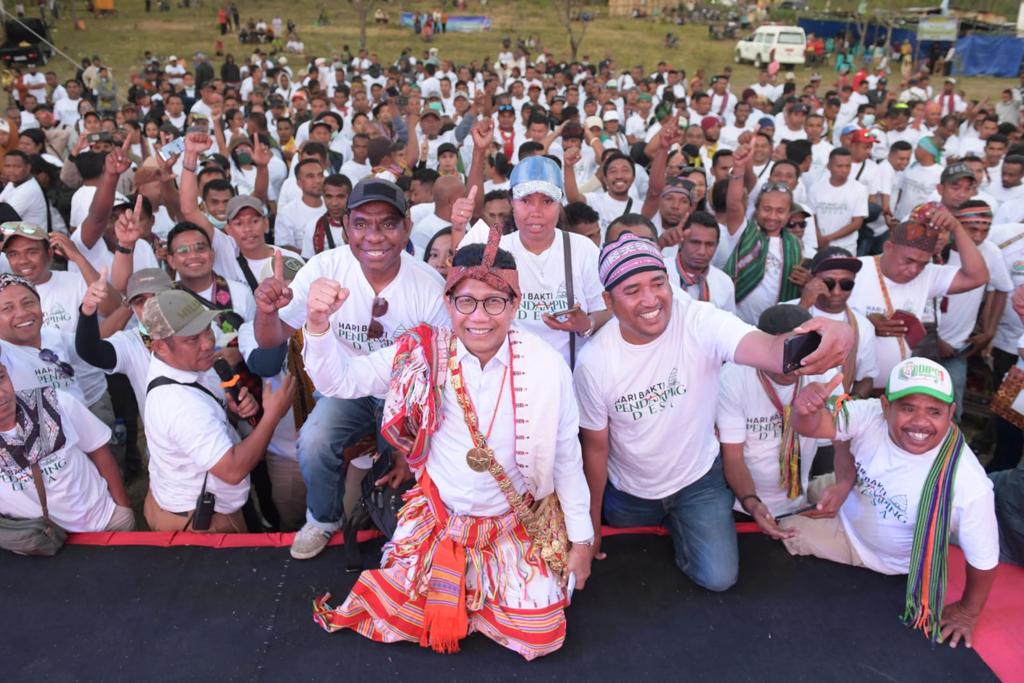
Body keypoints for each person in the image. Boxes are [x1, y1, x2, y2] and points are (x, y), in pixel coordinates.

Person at [303, 236, 593, 660]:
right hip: (440, 523)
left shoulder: (546, 367)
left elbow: (568, 458)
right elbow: (337, 381)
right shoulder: (422, 353)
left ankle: (477, 594)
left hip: (510, 525)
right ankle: (468, 593)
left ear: (515, 304)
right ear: (448, 301)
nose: (479, 317)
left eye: (494, 302)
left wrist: (582, 542)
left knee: (542, 636)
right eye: (465, 302)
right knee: (399, 617)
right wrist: (317, 323)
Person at [574, 233, 855, 592]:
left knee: (719, 579)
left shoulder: (699, 321)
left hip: (699, 483)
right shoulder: (594, 363)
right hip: (630, 492)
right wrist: (591, 525)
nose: (650, 299)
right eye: (632, 290)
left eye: (658, 283)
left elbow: (770, 350)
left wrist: (831, 334)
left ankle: (686, 529)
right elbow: (595, 448)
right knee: (627, 583)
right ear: (608, 301)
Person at [253, 177, 448, 560]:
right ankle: (322, 519)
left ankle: (409, 531)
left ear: (407, 226)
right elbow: (272, 339)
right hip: (345, 390)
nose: (374, 236)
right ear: (346, 227)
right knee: (313, 440)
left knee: (411, 468)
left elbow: (436, 377)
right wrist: (266, 310)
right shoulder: (324, 269)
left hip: (405, 398)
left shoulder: (427, 285)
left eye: (388, 224)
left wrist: (408, 441)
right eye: (361, 224)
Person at [787, 357, 998, 648]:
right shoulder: (870, 413)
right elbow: (814, 427)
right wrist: (805, 411)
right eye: (908, 408)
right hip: (852, 495)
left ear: (951, 413)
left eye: (934, 411)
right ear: (886, 407)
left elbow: (984, 558)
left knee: (783, 529)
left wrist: (967, 612)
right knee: (793, 498)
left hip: (862, 546)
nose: (920, 422)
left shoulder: (969, 484)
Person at [142, 289, 295, 532]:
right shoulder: (181, 405)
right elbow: (232, 470)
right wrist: (273, 416)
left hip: (182, 502)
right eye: (192, 339)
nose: (208, 343)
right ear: (160, 347)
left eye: (207, 329)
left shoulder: (184, 367)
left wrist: (232, 412)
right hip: (203, 522)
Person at [718, 304, 841, 526]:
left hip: (802, 504)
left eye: (803, 350)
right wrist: (752, 503)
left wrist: (837, 489)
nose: (793, 365)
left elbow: (841, 444)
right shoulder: (733, 377)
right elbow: (733, 457)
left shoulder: (825, 375)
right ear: (761, 347)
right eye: (783, 353)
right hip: (743, 506)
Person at [847, 205, 989, 389]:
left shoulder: (927, 275)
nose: (914, 270)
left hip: (894, 389)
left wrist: (957, 228)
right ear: (888, 247)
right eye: (909, 261)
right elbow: (821, 318)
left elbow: (978, 276)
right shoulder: (854, 271)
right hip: (849, 386)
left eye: (922, 263)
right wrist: (865, 326)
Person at [0, 361, 135, 534]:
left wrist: (122, 506)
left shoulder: (55, 401)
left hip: (107, 521)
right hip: (44, 547)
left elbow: (98, 449)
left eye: (1, 377)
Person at [723, 144, 805, 325]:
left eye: (780, 211)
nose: (773, 216)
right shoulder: (744, 232)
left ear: (789, 214)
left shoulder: (795, 245)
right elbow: (734, 205)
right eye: (767, 209)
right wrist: (738, 168)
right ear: (757, 209)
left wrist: (805, 281)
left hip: (776, 327)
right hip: (737, 324)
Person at [791, 247, 878, 399]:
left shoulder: (863, 326)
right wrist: (804, 304)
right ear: (812, 279)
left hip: (836, 411)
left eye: (846, 284)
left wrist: (849, 405)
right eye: (829, 283)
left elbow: (865, 378)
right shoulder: (784, 310)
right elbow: (774, 354)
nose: (837, 292)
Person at [808, 147, 868, 254]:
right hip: (819, 247)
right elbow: (812, 218)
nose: (844, 170)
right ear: (829, 166)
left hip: (846, 248)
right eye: (839, 166)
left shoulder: (860, 189)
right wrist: (818, 238)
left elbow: (857, 223)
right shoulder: (815, 189)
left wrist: (829, 238)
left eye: (847, 166)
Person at [672, 211, 735, 312]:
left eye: (709, 244)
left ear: (717, 245)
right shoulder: (661, 274)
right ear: (681, 241)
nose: (702, 252)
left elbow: (729, 325)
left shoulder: (724, 283)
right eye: (695, 242)